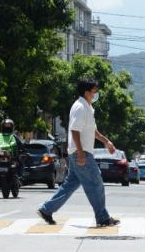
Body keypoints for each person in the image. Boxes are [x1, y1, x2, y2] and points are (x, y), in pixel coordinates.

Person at [37, 80, 119, 228]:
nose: (96, 94)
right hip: (81, 153)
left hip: (79, 152)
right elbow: (75, 130)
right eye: (94, 91)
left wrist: (106, 141)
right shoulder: (80, 107)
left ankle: (46, 209)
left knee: (70, 185)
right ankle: (102, 217)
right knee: (96, 183)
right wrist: (80, 153)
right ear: (86, 92)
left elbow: (92, 131)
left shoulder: (87, 107)